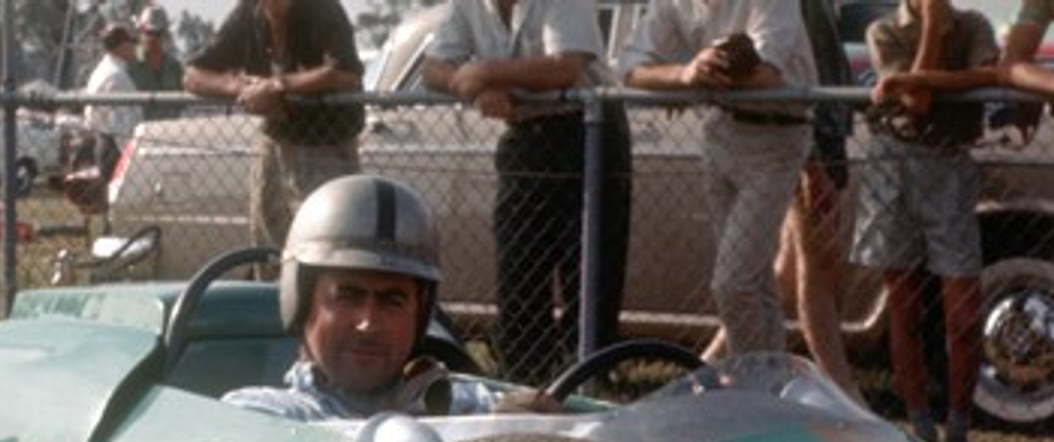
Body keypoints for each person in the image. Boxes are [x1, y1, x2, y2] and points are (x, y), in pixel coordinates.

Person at [223, 175, 557, 420]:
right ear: (301, 302)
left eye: (392, 301)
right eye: (348, 297)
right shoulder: (262, 416)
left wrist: (516, 430)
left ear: (420, 315)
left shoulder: (468, 407)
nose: (368, 324)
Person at [422, 0, 631, 387]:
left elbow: (564, 67)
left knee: (588, 266)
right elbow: (432, 66)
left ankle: (587, 378)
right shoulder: (468, 6)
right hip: (525, 132)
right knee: (518, 261)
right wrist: (469, 87)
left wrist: (484, 73)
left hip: (587, 130)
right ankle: (522, 379)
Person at [621, 0, 817, 358]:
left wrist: (707, 74)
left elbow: (768, 71)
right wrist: (685, 74)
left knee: (732, 283)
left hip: (777, 136)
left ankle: (749, 383)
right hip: (720, 131)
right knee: (754, 282)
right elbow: (630, 69)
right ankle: (769, 384)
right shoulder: (673, 4)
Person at [699, 0, 864, 403]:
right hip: (804, 135)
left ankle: (716, 368)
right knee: (809, 265)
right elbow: (792, 75)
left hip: (814, 131)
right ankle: (839, 388)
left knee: (781, 269)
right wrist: (815, 162)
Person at [849, 0, 997, 442]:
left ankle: (959, 423)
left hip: (949, 163)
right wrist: (930, 31)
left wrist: (915, 77)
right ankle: (919, 422)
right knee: (904, 304)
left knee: (964, 314)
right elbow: (916, 103)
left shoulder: (972, 26)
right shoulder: (885, 31)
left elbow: (989, 76)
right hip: (893, 163)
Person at [183, 0, 365, 251]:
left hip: (326, 146)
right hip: (275, 139)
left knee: (328, 242)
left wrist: (278, 85)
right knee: (268, 241)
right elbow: (192, 75)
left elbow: (346, 74)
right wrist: (241, 89)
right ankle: (270, 289)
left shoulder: (323, 9)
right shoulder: (248, 13)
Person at [83, 22, 142, 180]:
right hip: (114, 148)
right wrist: (132, 159)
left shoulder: (103, 70)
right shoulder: (116, 76)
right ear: (121, 46)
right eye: (131, 42)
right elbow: (121, 126)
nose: (133, 47)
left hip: (104, 141)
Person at [129, 4, 184, 121]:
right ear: (140, 32)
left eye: (158, 33)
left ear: (165, 34)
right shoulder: (130, 64)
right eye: (149, 33)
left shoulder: (174, 67)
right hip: (138, 131)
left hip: (168, 131)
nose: (153, 38)